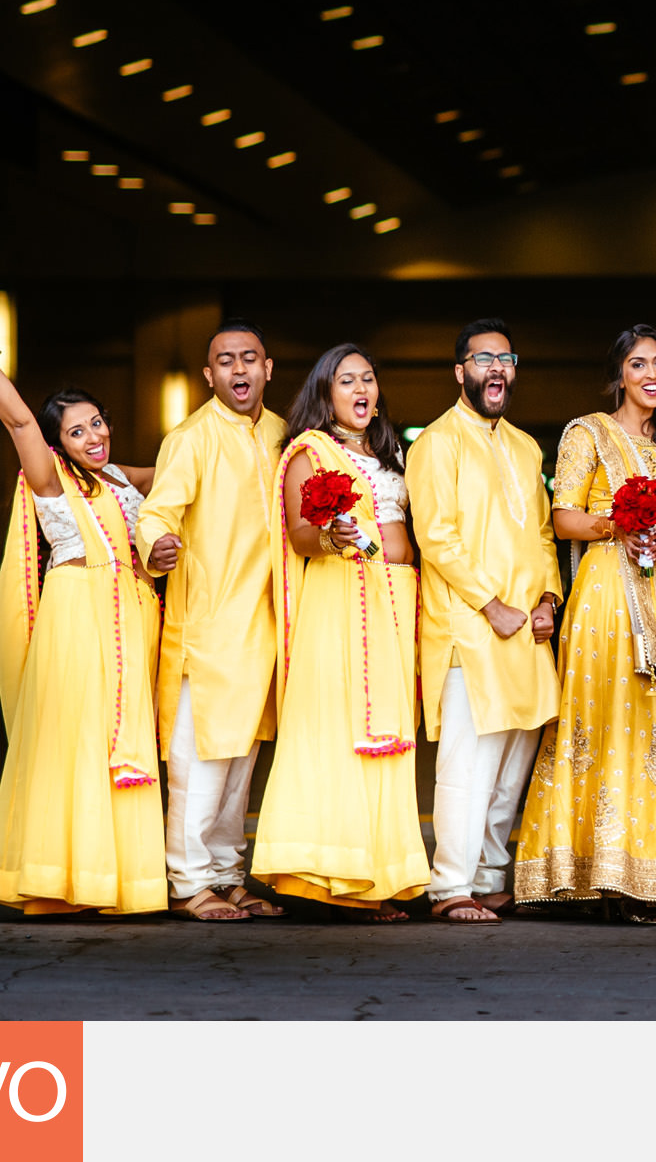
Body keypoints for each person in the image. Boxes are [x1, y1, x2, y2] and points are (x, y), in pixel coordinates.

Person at [513, 325, 656, 920]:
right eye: (638, 365)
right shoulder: (589, 432)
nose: (651, 375)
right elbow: (562, 519)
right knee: (609, 723)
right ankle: (594, 873)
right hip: (609, 596)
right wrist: (618, 526)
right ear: (620, 375)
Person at [0, 319, 166, 916]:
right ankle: (58, 879)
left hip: (129, 619)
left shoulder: (122, 477)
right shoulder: (50, 479)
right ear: (58, 443)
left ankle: (118, 881)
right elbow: (19, 420)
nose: (93, 436)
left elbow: (184, 473)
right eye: (77, 431)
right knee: (74, 743)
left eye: (97, 422)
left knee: (120, 745)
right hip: (77, 619)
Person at [252, 344, 428, 919]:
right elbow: (302, 534)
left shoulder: (389, 448)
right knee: (338, 728)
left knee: (389, 736)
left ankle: (380, 877)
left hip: (396, 598)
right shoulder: (309, 451)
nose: (361, 389)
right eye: (347, 380)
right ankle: (330, 877)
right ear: (325, 391)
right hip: (341, 595)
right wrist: (335, 539)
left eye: (369, 379)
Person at [408, 318, 561, 924]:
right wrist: (489, 604)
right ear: (460, 372)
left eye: (506, 358)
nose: (496, 368)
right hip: (468, 629)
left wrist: (548, 600)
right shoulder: (437, 443)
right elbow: (436, 538)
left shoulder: (524, 447)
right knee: (468, 767)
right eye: (483, 359)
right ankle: (450, 885)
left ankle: (490, 875)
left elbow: (544, 534)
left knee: (511, 761)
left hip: (526, 629)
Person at [135, 321, 287, 922]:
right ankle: (188, 880)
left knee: (240, 763)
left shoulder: (282, 433)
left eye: (250, 358)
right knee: (198, 765)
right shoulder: (191, 437)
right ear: (209, 375)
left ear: (268, 368)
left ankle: (226, 874)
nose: (239, 370)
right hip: (209, 627)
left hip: (263, 627)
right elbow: (156, 513)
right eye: (226, 361)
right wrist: (158, 547)